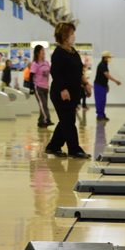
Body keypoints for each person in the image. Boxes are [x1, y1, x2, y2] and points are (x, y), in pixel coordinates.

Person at [44, 22, 91, 159]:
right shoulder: (58, 53)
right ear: (65, 36)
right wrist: (63, 89)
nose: (74, 36)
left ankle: (53, 146)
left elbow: (79, 71)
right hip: (61, 93)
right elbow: (56, 74)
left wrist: (86, 84)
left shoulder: (73, 51)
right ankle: (74, 149)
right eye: (72, 33)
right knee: (69, 121)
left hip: (74, 92)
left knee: (66, 121)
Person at [94, 50, 122, 121]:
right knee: (100, 101)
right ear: (105, 57)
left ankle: (102, 115)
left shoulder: (105, 64)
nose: (109, 58)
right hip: (99, 85)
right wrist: (116, 81)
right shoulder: (102, 65)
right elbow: (107, 75)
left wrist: (106, 85)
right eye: (108, 57)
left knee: (103, 101)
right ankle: (100, 116)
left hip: (102, 85)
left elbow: (104, 77)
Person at [30, 45, 52, 127]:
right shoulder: (35, 64)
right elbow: (31, 76)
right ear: (38, 53)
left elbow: (51, 72)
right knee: (43, 104)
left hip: (45, 87)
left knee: (42, 105)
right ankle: (47, 119)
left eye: (44, 50)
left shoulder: (46, 63)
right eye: (42, 51)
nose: (43, 52)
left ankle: (41, 121)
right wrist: (31, 88)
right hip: (38, 87)